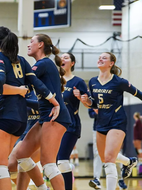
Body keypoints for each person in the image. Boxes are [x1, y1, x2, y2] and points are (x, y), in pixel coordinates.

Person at [0, 28, 60, 190]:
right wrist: (55, 102)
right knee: (9, 162)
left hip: (2, 116)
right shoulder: (21, 60)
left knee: (0, 167)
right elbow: (37, 84)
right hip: (21, 120)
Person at [74, 52, 140, 190]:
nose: (100, 59)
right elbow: (94, 104)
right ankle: (129, 161)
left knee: (109, 160)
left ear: (111, 63)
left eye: (104, 58)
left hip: (117, 122)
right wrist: (85, 101)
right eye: (99, 57)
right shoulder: (92, 81)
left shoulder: (119, 82)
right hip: (101, 122)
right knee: (105, 158)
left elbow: (139, 93)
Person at [14, 34, 71, 190]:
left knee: (48, 164)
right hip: (45, 117)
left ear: (40, 45)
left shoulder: (43, 64)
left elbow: (22, 81)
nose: (28, 44)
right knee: (21, 155)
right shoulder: (42, 65)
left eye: (31, 41)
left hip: (56, 117)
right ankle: (42, 188)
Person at [58, 52, 89, 190]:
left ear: (72, 63)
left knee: (62, 160)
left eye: (66, 57)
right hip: (54, 126)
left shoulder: (78, 82)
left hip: (71, 125)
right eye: (61, 57)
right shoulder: (54, 80)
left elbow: (89, 103)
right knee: (53, 162)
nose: (62, 59)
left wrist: (83, 99)